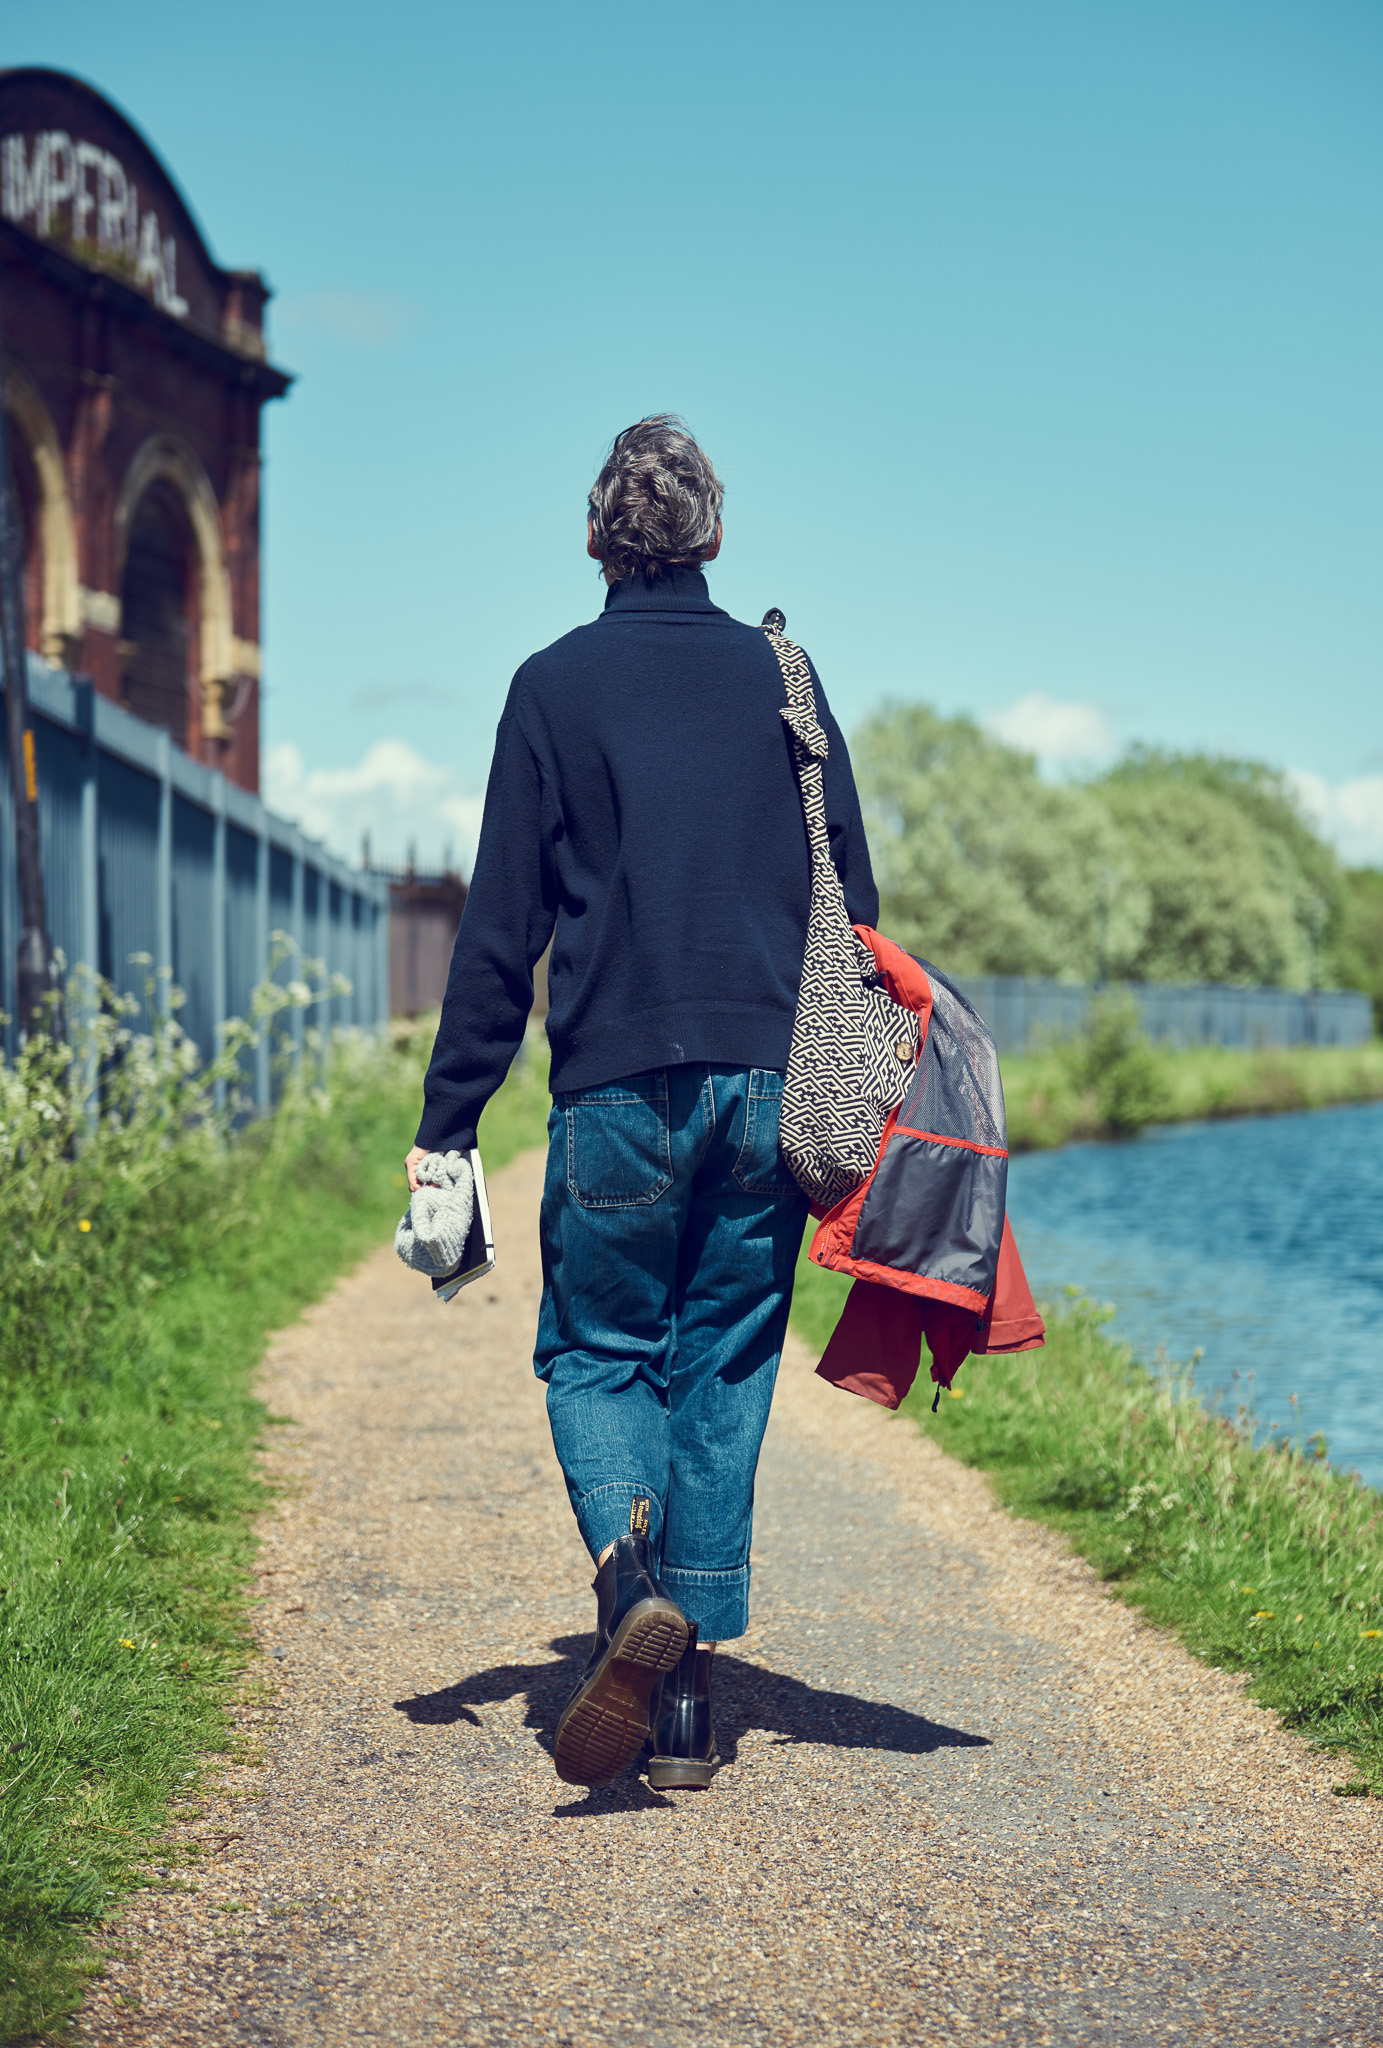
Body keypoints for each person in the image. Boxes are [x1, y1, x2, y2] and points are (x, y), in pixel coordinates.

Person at [405, 416, 878, 1790]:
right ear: (712, 534)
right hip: (765, 1079)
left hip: (614, 1083)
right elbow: (848, 889)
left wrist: (451, 1123)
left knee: (600, 1350)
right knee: (721, 1353)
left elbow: (501, 931)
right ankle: (681, 1711)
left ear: (600, 539)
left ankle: (628, 1582)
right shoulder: (785, 675)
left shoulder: (552, 688)